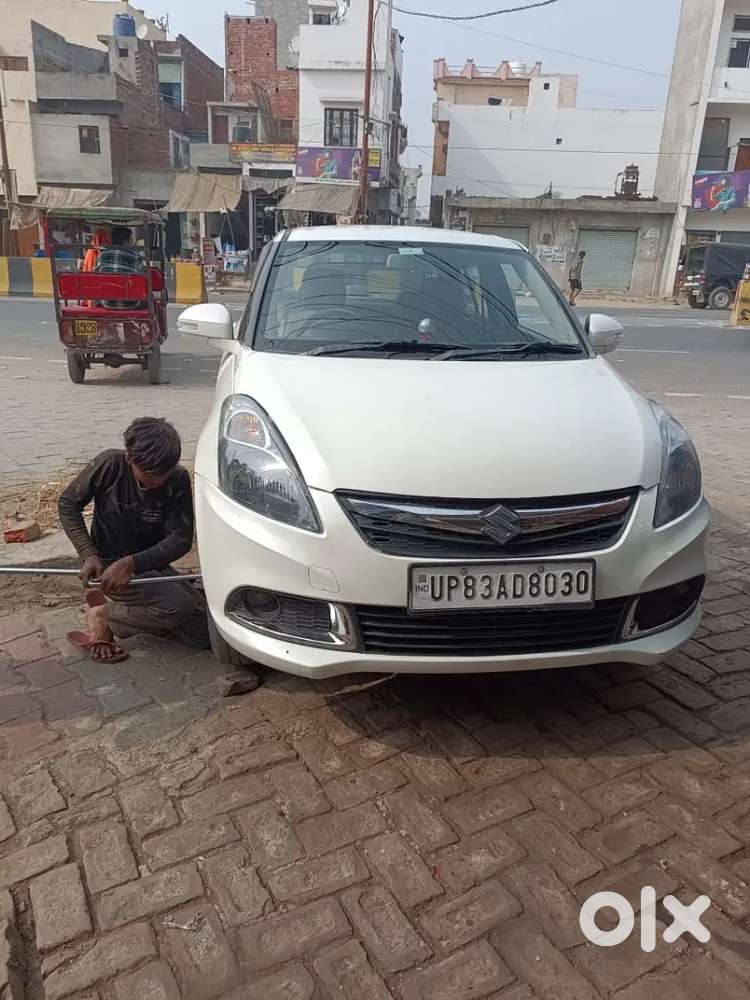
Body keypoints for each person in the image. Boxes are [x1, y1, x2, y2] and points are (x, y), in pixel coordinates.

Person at [58, 418, 214, 664]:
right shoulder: (110, 465)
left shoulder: (177, 478)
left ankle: (121, 615)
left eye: (164, 473)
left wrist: (132, 563)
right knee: (178, 606)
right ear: (130, 459)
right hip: (108, 569)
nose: (158, 481)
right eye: (150, 474)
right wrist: (88, 552)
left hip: (149, 563)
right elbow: (68, 504)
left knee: (206, 633)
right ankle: (103, 615)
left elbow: (181, 539)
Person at [94, 225, 144, 309]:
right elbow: (142, 280)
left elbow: (95, 277)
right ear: (125, 242)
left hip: (106, 303)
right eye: (131, 241)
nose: (132, 244)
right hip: (131, 304)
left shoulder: (101, 255)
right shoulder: (135, 257)